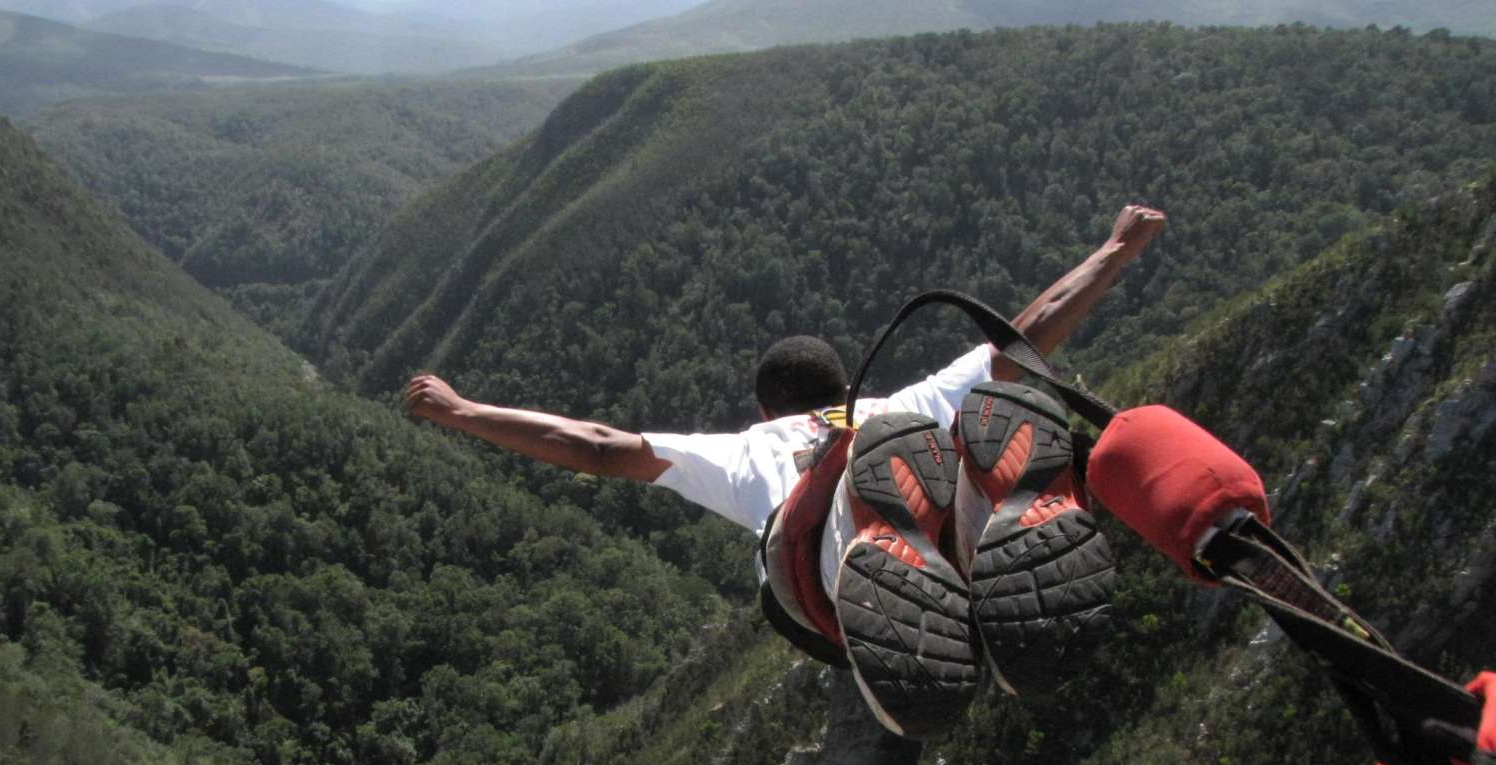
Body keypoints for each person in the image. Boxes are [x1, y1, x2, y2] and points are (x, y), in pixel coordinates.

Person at [407, 205, 1167, 737]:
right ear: (842, 389)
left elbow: (598, 447)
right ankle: (986, 518)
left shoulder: (749, 450)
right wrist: (1115, 249)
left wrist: (463, 411)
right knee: (954, 438)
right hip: (920, 470)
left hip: (837, 579)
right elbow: (1026, 335)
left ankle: (878, 543)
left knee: (810, 547)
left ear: (766, 406)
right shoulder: (902, 402)